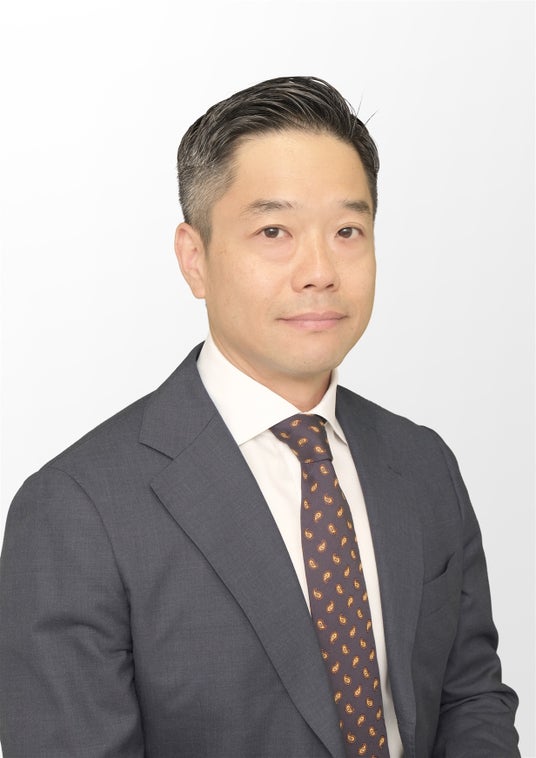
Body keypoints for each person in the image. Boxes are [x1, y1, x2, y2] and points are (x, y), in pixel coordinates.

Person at [0, 76, 519, 758]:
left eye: (348, 230)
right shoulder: (76, 510)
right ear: (195, 259)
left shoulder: (423, 462)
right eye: (274, 231)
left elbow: (469, 695)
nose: (319, 270)